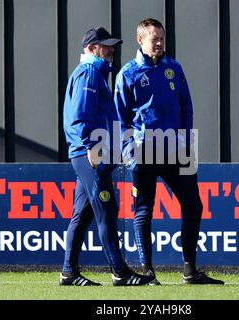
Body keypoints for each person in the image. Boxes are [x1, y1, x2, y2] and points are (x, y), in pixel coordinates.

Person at [114, 18, 224, 285]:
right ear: (140, 40)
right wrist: (128, 151)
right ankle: (148, 272)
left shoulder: (174, 68)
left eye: (162, 38)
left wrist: (186, 141)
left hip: (176, 150)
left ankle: (190, 269)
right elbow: (120, 118)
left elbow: (186, 106)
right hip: (144, 151)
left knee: (193, 205)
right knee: (144, 210)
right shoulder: (127, 74)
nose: (160, 43)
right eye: (155, 39)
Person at [60, 27, 155, 286]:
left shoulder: (95, 73)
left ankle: (68, 272)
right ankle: (120, 272)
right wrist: (92, 145)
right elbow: (81, 114)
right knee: (107, 210)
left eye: (112, 46)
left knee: (83, 214)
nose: (111, 50)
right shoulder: (90, 72)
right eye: (106, 46)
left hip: (91, 151)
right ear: (91, 48)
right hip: (90, 152)